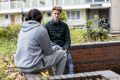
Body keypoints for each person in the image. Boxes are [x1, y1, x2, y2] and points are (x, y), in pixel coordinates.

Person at [14, 9, 67, 75]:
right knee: (63, 54)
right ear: (40, 18)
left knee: (46, 58)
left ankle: (53, 77)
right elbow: (48, 52)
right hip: (32, 66)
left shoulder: (22, 30)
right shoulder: (41, 30)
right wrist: (57, 47)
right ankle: (58, 77)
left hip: (20, 66)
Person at [44, 6, 74, 74]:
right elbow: (46, 40)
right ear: (52, 14)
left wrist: (65, 48)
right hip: (53, 50)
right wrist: (57, 47)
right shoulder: (46, 26)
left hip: (64, 50)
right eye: (55, 13)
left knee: (70, 67)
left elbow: (68, 39)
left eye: (58, 13)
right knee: (54, 70)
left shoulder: (65, 26)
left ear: (60, 14)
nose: (56, 15)